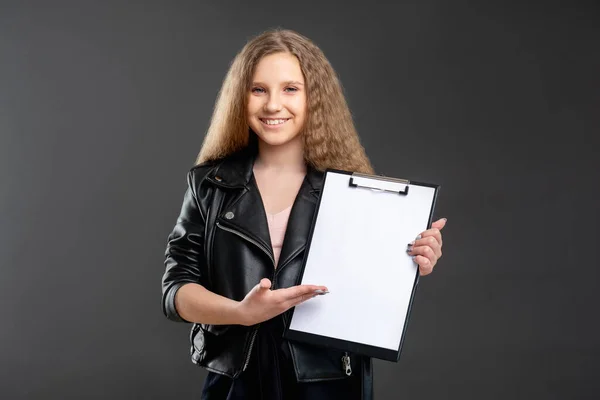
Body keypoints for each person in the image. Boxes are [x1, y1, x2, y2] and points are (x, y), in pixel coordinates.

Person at [161, 28, 447, 400]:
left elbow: (371, 289)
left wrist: (414, 260)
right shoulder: (208, 184)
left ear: (316, 98)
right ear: (239, 97)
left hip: (327, 380)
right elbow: (175, 291)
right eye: (258, 89)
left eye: (290, 89)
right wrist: (241, 312)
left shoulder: (355, 192)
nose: (273, 105)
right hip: (237, 381)